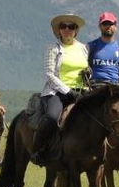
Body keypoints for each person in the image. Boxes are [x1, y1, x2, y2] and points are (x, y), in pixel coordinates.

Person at [33, 13, 89, 164]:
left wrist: (88, 77)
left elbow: (86, 69)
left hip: (81, 92)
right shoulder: (53, 48)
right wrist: (67, 91)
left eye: (71, 26)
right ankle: (39, 150)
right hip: (56, 92)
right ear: (59, 30)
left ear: (76, 30)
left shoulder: (83, 48)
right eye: (63, 26)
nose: (67, 29)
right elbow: (49, 74)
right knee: (52, 117)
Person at [86, 12, 119, 88]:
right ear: (99, 26)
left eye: (111, 24)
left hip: (115, 87)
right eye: (105, 24)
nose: (108, 26)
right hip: (94, 87)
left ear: (116, 27)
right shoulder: (91, 46)